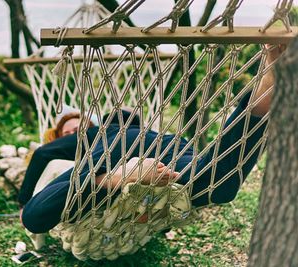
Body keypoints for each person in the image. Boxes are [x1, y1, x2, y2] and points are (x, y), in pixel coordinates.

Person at [19, 45, 284, 234]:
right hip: (125, 161)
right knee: (220, 186)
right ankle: (269, 84)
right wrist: (116, 176)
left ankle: (270, 79)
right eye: (66, 134)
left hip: (145, 145)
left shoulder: (98, 131)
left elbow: (126, 119)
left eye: (77, 128)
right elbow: (43, 155)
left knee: (218, 181)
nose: (73, 134)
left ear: (89, 124)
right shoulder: (84, 144)